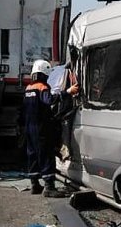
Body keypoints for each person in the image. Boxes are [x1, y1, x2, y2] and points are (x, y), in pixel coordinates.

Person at [19, 59, 78, 197]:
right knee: (46, 155)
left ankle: (34, 184)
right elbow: (49, 100)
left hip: (29, 128)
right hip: (41, 129)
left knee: (32, 155)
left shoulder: (28, 88)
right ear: (45, 74)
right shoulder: (42, 87)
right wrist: (67, 92)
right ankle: (49, 187)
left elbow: (23, 110)